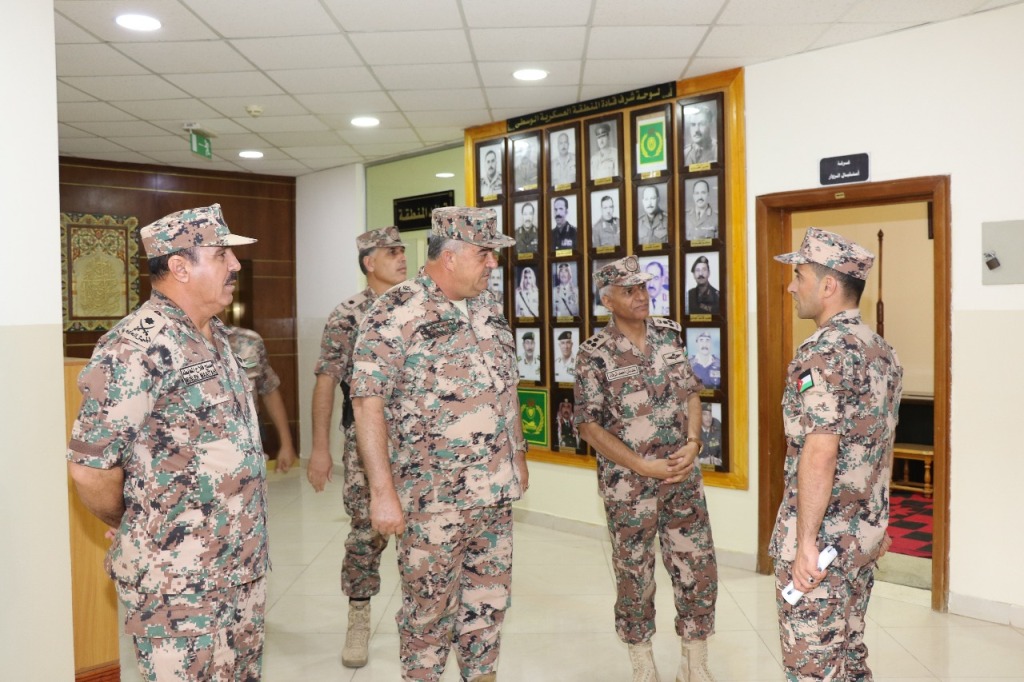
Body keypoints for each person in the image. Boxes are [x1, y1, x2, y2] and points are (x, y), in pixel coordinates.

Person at [66, 204, 268, 680]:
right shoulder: (136, 347)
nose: (235, 266)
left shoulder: (218, 337)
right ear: (179, 267)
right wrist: (134, 523)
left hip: (239, 568)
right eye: (221, 255)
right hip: (177, 582)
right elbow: (90, 469)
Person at [350, 206, 529, 682]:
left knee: (488, 606)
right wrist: (382, 493)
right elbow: (367, 404)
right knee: (428, 614)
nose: (493, 263)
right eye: (484, 253)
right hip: (431, 500)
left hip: (494, 494)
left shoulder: (488, 308)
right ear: (449, 256)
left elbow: (506, 388)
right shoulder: (395, 311)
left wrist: (518, 454)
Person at [574, 255, 718, 682]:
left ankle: (694, 662)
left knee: (698, 569)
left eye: (642, 287)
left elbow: (691, 394)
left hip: (681, 477)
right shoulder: (594, 354)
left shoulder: (670, 335)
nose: (641, 296)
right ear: (607, 300)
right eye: (629, 291)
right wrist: (641, 465)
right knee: (634, 575)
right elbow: (587, 425)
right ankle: (642, 661)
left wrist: (693, 444)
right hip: (629, 487)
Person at [770, 227, 903, 680]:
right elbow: (880, 445)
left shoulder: (821, 353)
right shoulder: (881, 351)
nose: (792, 287)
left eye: (799, 276)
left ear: (828, 285)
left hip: (823, 542)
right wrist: (878, 521)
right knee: (849, 656)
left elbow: (821, 451)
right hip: (861, 536)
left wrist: (805, 544)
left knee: (813, 666)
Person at [308, 226, 408, 668]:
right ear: (369, 262)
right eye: (391, 252)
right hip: (366, 441)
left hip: (421, 442)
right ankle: (359, 616)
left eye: (403, 250)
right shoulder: (348, 315)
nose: (402, 257)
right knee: (366, 531)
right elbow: (326, 381)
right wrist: (320, 449)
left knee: (425, 530)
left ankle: (422, 618)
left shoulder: (419, 306)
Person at [227, 325, 297, 471]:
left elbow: (269, 389)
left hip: (249, 437)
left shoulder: (249, 340)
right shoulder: (181, 340)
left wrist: (286, 444)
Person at [698, 403, 723, 468]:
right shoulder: (694, 431)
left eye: (710, 414)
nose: (708, 417)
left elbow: (724, 450)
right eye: (705, 414)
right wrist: (701, 461)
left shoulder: (718, 429)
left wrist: (720, 460)